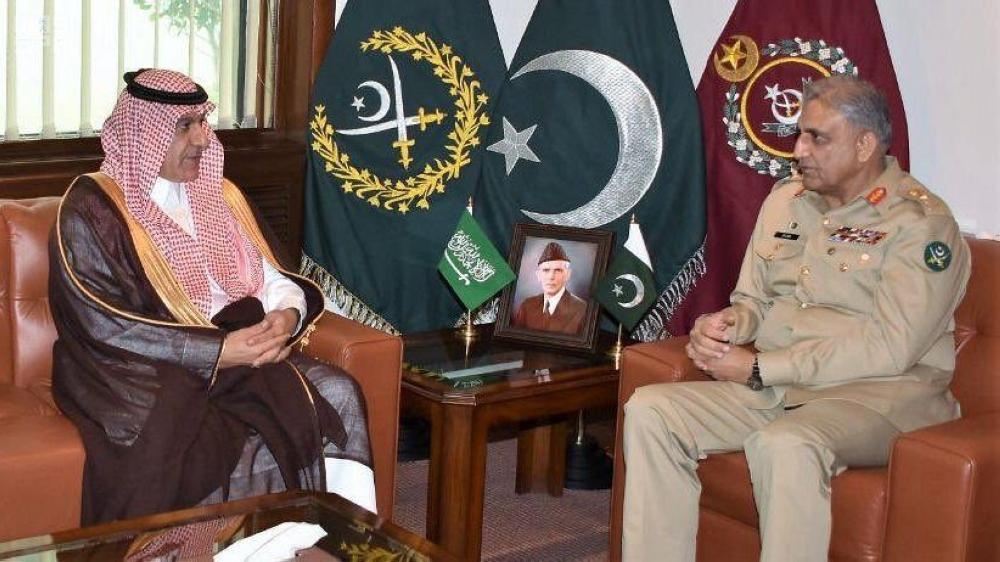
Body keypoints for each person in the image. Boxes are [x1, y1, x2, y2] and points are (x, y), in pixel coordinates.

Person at [622, 75, 971, 561]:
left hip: (878, 399)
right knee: (651, 411)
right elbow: (754, 300)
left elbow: (891, 347)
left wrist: (760, 368)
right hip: (783, 388)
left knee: (785, 443)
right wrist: (727, 325)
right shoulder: (786, 201)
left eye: (817, 138)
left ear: (865, 145)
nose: (799, 150)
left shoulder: (921, 224)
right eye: (800, 135)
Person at [49, 69, 375, 525]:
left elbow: (270, 275)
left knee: (340, 391)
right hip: (135, 364)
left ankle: (337, 537)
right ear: (145, 132)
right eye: (185, 126)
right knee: (175, 429)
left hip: (237, 347)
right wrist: (218, 352)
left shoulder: (218, 194)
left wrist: (287, 314)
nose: (203, 138)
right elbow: (104, 323)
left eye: (203, 122)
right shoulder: (91, 209)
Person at [511, 241, 588, 335]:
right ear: (538, 275)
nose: (551, 277)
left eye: (558, 270)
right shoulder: (527, 306)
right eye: (546, 270)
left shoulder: (582, 310)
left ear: (567, 275)